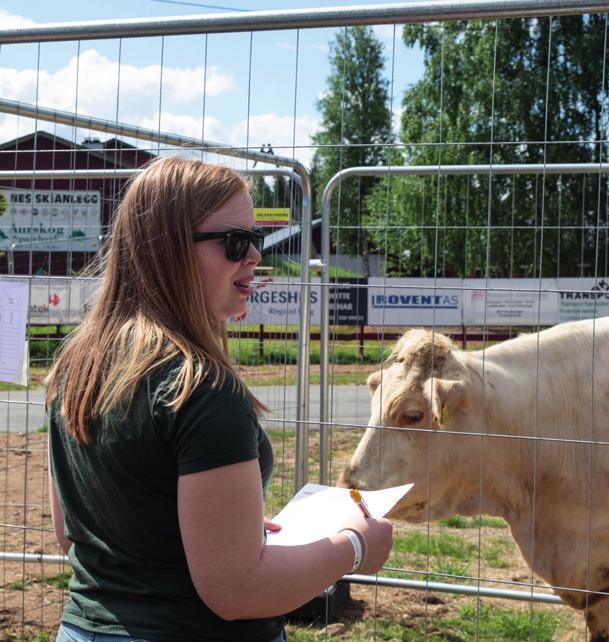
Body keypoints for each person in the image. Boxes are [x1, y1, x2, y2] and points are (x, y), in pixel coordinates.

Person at [47, 156, 394, 642]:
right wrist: (355, 547)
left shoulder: (73, 368)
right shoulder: (201, 389)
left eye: (256, 240)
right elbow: (236, 590)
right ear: (167, 250)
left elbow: (77, 537)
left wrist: (225, 528)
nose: (254, 256)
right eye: (235, 243)